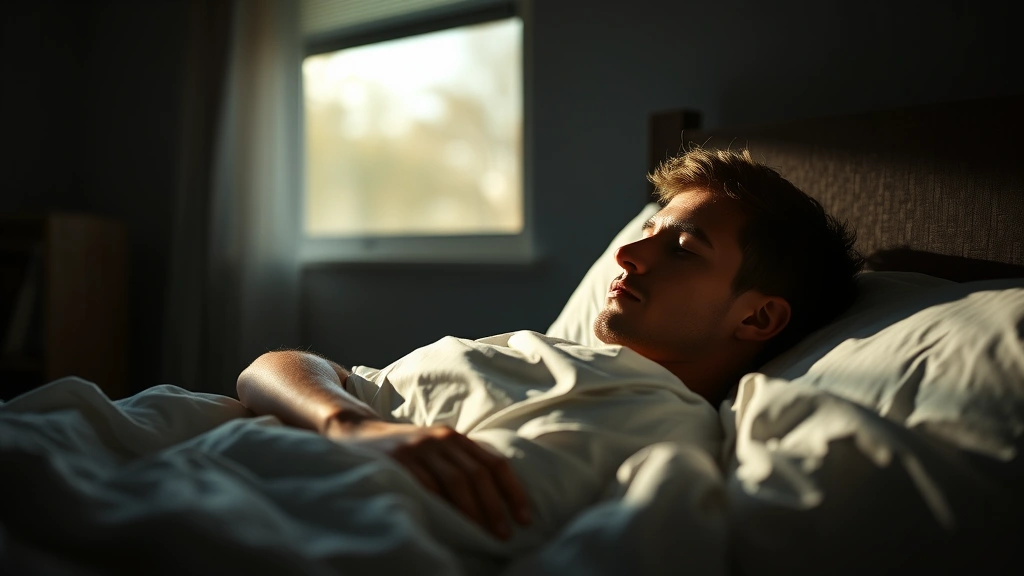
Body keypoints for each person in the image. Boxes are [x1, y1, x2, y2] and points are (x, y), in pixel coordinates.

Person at [236, 147, 863, 544]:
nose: (627, 253)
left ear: (757, 320)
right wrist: (344, 419)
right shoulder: (542, 353)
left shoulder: (648, 419)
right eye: (649, 231)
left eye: (683, 248)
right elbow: (270, 369)